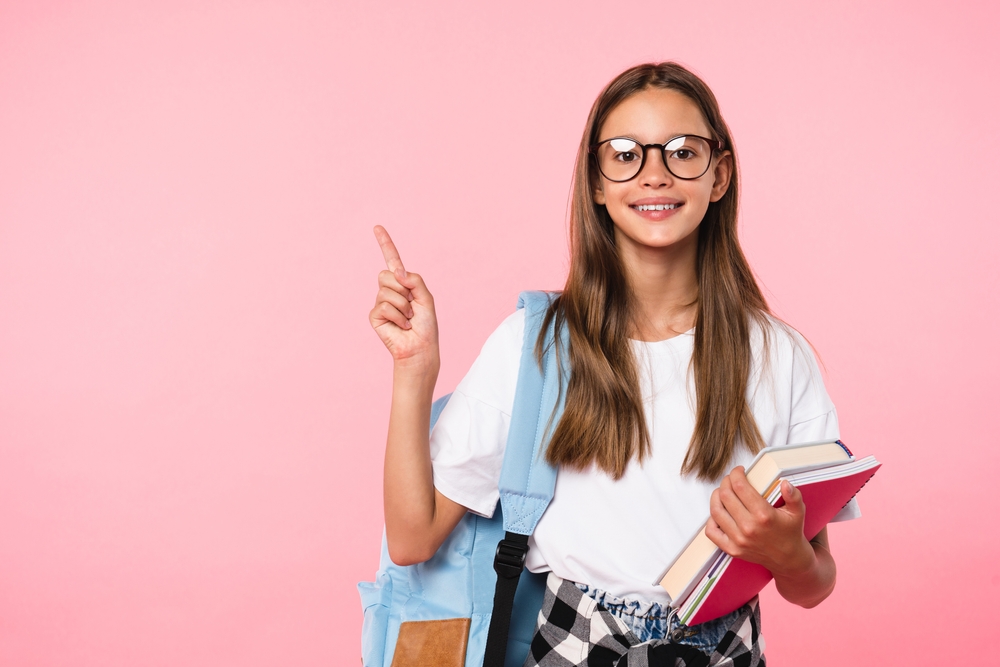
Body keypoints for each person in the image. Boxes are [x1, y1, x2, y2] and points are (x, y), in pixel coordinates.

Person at [368, 62, 857, 665]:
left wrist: (790, 557)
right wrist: (414, 371)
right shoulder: (537, 343)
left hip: (727, 650)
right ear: (597, 181)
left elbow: (815, 583)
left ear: (720, 174)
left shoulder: (779, 357)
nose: (654, 174)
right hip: (573, 647)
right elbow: (412, 538)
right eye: (625, 154)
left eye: (683, 151)